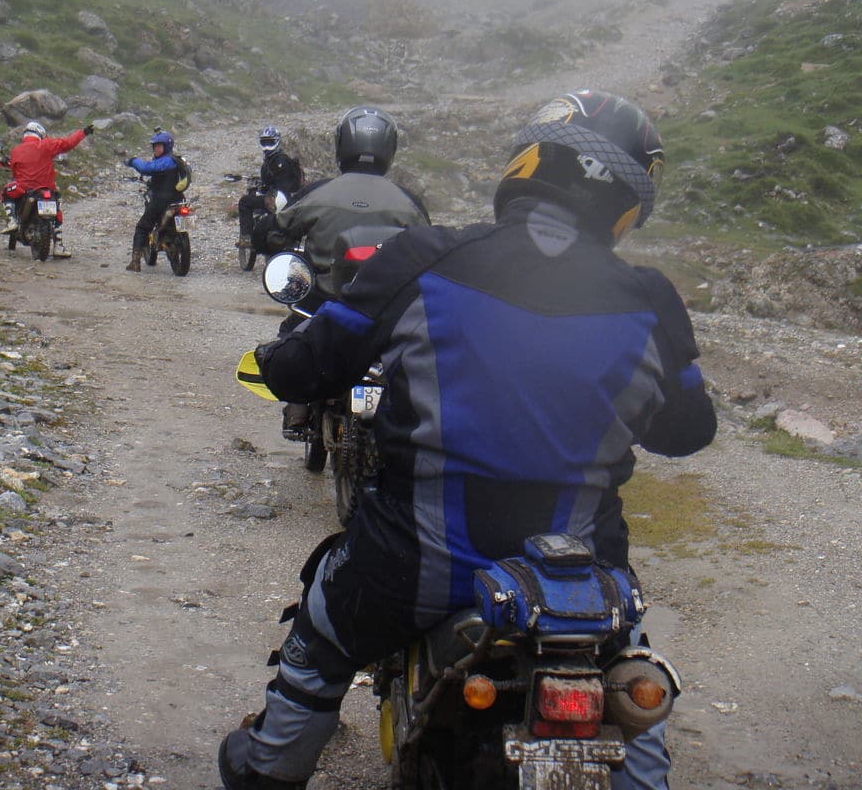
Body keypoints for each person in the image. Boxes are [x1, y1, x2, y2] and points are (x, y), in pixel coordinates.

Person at [218, 90, 718, 790]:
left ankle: (268, 766)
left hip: (410, 564)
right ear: (630, 200)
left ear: (529, 161)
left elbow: (314, 363)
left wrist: (273, 362)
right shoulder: (651, 298)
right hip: (578, 576)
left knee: (321, 640)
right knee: (630, 688)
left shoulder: (423, 259)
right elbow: (690, 431)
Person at [251, 106, 429, 435]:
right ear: (389, 149)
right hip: (388, 309)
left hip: (324, 302)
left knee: (291, 332)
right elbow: (427, 245)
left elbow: (273, 230)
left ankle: (297, 408)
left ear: (341, 145)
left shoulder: (318, 193)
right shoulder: (408, 202)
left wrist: (272, 241)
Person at [0, 119, 94, 259]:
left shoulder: (16, 150)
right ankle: (58, 245)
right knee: (56, 212)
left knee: (6, 193)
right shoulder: (47, 144)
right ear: (40, 134)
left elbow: (14, 170)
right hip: (46, 189)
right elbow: (68, 143)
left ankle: (12, 220)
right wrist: (83, 132)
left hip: (23, 188)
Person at [124, 129, 185, 272]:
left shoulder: (166, 161)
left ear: (167, 147)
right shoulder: (178, 160)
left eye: (159, 146)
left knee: (142, 228)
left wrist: (132, 161)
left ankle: (135, 261)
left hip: (161, 202)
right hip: (178, 200)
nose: (156, 149)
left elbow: (146, 168)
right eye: (155, 146)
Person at [237, 125, 304, 244]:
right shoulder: (281, 159)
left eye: (270, 142)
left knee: (244, 202)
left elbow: (280, 185)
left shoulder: (278, 161)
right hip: (291, 199)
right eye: (264, 142)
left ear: (277, 141)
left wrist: (266, 187)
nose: (267, 146)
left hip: (279, 199)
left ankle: (246, 238)